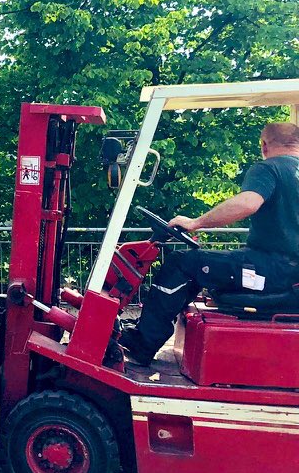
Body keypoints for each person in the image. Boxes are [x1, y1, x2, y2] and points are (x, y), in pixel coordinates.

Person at [121, 122, 299, 366]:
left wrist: (196, 222)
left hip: (271, 270)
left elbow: (248, 203)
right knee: (200, 264)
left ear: (264, 146)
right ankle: (149, 332)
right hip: (287, 273)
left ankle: (144, 342)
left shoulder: (270, 169)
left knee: (181, 263)